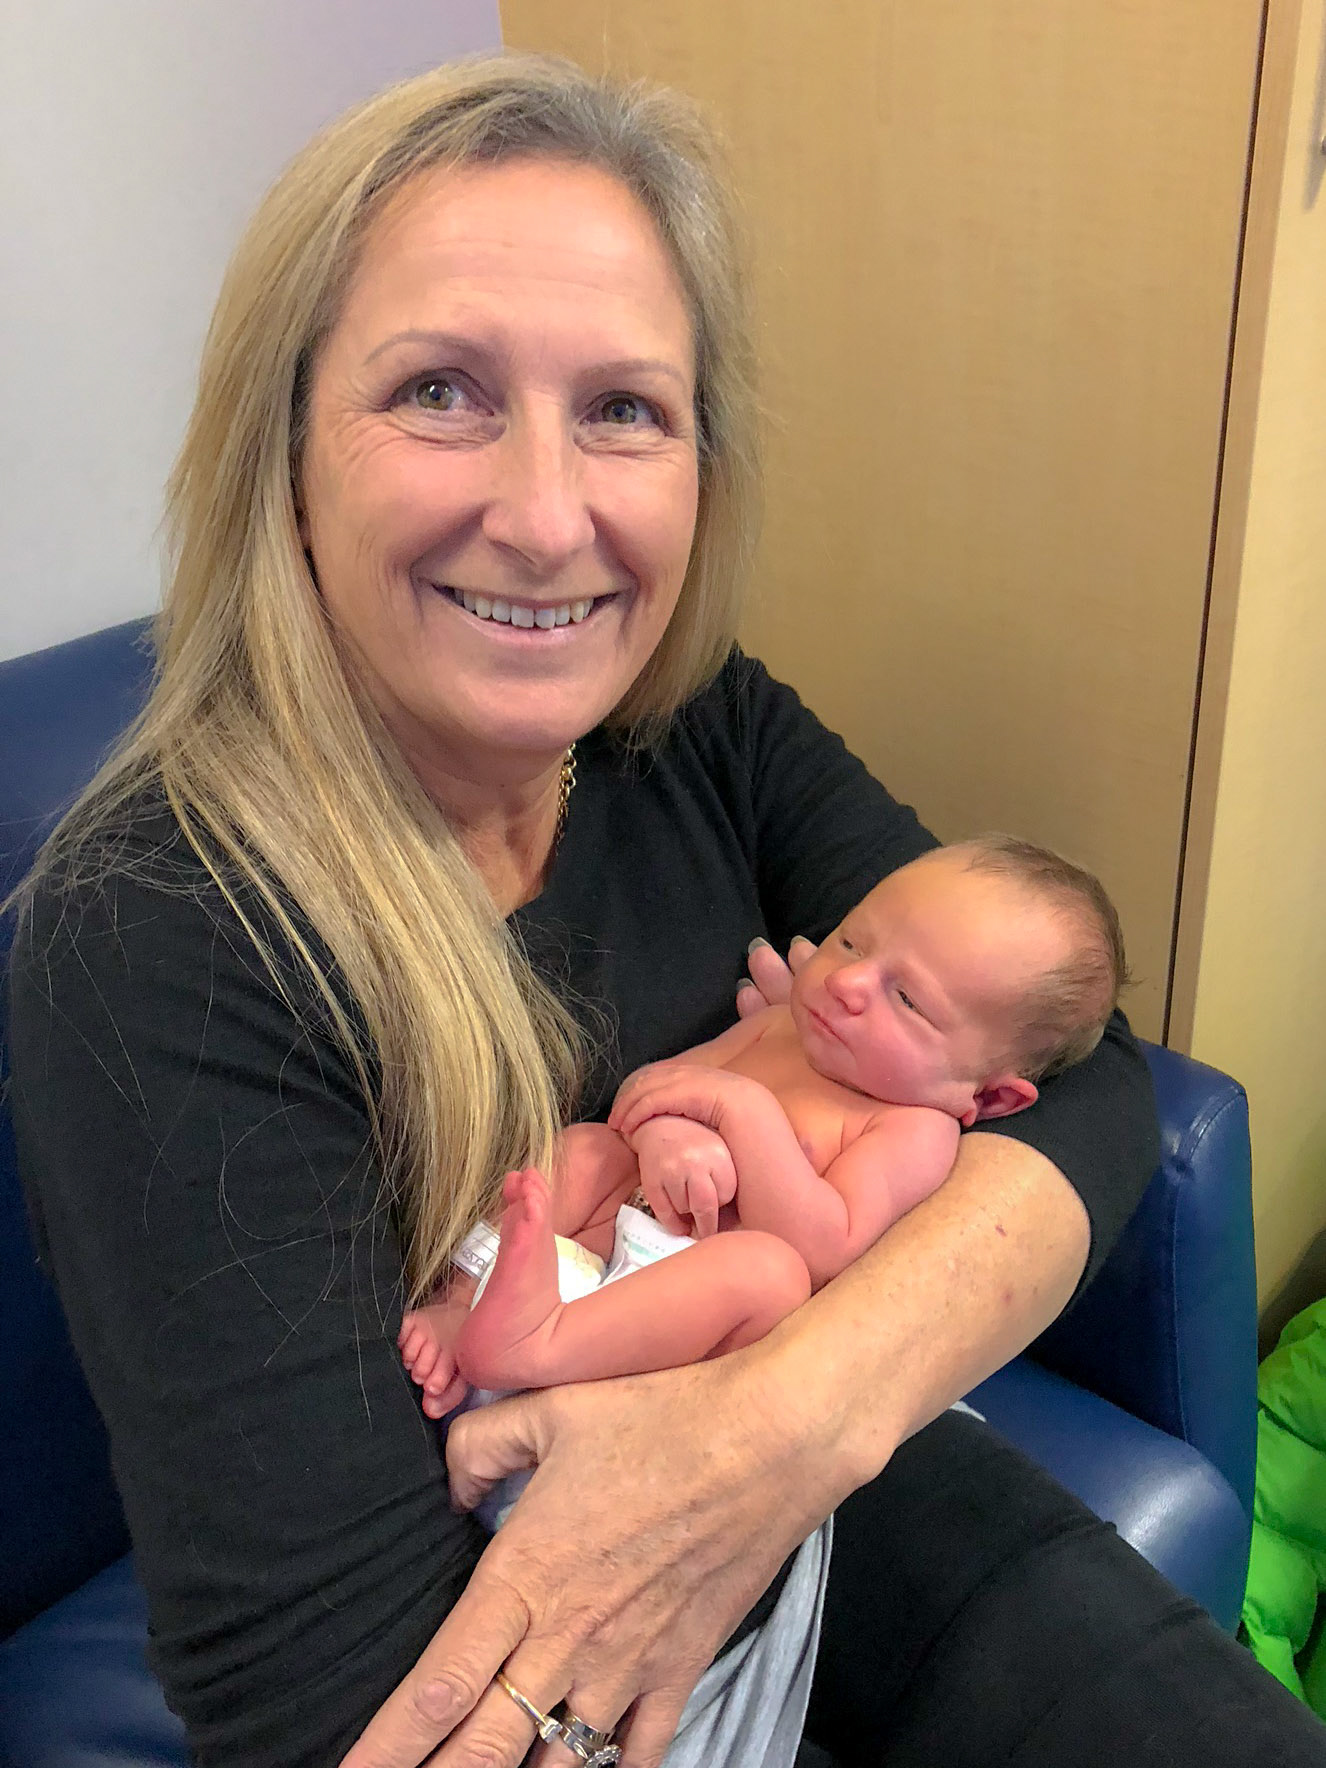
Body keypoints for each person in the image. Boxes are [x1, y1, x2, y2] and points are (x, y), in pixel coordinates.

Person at [8, 51, 1324, 1768]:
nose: (546, 515)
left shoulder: (694, 726)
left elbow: (1084, 1080)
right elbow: (338, 1693)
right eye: (439, 390)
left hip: (855, 1502)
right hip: (548, 1649)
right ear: (287, 454)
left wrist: (785, 1417)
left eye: (624, 408)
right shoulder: (160, 927)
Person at [399, 837, 1126, 1419]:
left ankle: (541, 1345)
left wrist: (741, 1114)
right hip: (587, 1251)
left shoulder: (913, 1130)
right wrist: (664, 1134)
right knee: (590, 1148)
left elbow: (827, 1250)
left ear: (990, 1096)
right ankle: (461, 1301)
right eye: (851, 942)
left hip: (669, 1337)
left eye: (907, 1000)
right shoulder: (778, 1030)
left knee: (768, 1273)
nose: (846, 983)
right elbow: (649, 1089)